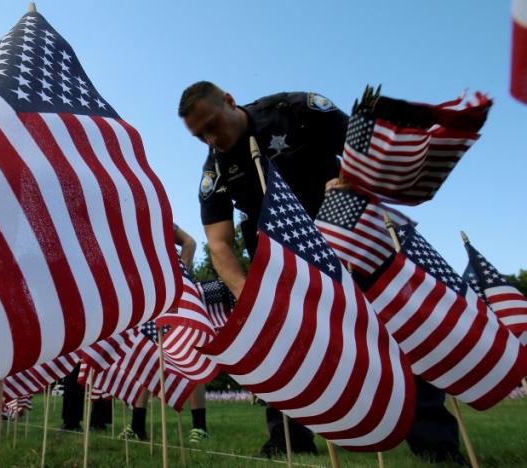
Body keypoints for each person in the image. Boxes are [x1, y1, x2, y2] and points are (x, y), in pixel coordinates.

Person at [179, 81, 466, 464]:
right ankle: (287, 440)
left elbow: (359, 151)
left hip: (345, 233)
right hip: (281, 257)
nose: (211, 140)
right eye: (200, 136)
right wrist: (250, 296)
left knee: (391, 329)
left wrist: (347, 179)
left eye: (213, 126)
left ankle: (435, 444)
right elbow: (219, 245)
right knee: (287, 343)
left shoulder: (295, 109)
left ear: (229, 101)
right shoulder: (215, 170)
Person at [119, 223, 210, 443]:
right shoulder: (127, 228)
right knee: (147, 352)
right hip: (149, 296)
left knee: (189, 350)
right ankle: (138, 426)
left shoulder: (157, 218)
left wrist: (180, 274)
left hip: (175, 295)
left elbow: (189, 242)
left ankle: (200, 427)